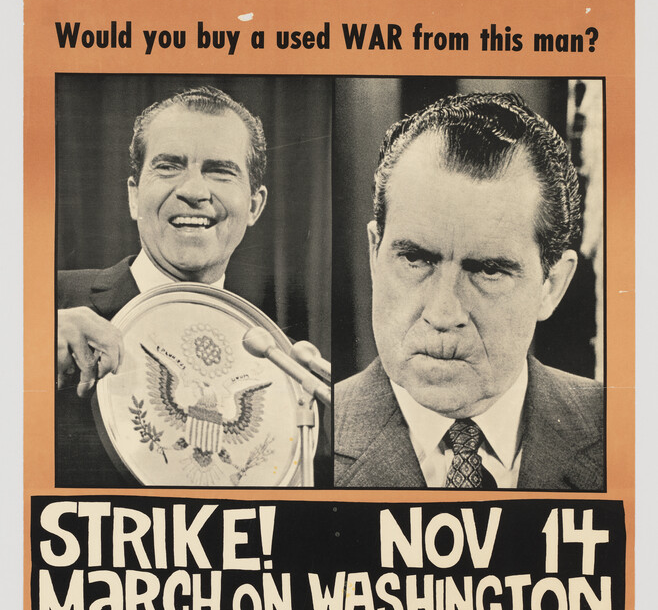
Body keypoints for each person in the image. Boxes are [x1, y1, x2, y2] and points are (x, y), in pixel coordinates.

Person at [334, 92, 604, 491]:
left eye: (489, 270)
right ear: (375, 254)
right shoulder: (306, 434)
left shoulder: (627, 430)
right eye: (415, 259)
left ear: (552, 285)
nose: (442, 314)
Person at [57, 86, 269, 485]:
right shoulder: (41, 304)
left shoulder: (273, 362)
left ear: (254, 205)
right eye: (169, 166)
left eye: (220, 171)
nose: (192, 191)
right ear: (134, 196)